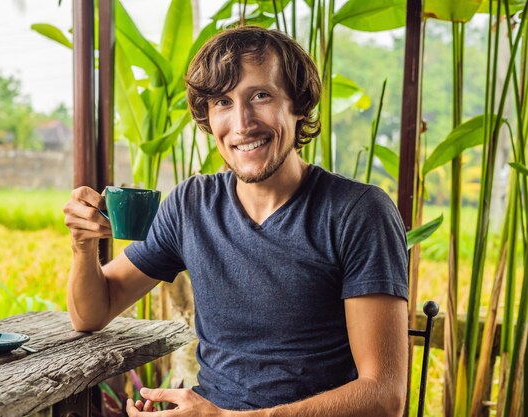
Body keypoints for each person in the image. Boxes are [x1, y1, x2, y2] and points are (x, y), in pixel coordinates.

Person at [63, 26, 408, 417]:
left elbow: (384, 396)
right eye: (223, 102)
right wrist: (83, 244)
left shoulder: (359, 212)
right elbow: (91, 313)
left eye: (260, 96)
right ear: (208, 118)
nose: (242, 123)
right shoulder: (191, 204)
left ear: (297, 105)